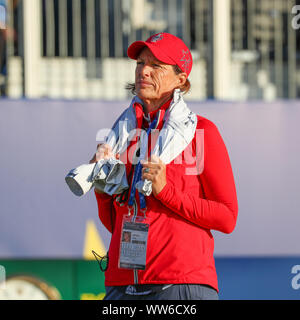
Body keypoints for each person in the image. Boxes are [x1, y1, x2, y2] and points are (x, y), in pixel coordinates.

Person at [90, 32, 238, 300]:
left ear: (180, 80)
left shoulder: (201, 132)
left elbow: (227, 218)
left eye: (156, 65)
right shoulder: (121, 134)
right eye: (139, 63)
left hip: (181, 285)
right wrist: (102, 189)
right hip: (122, 285)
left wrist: (166, 191)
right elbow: (115, 223)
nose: (143, 71)